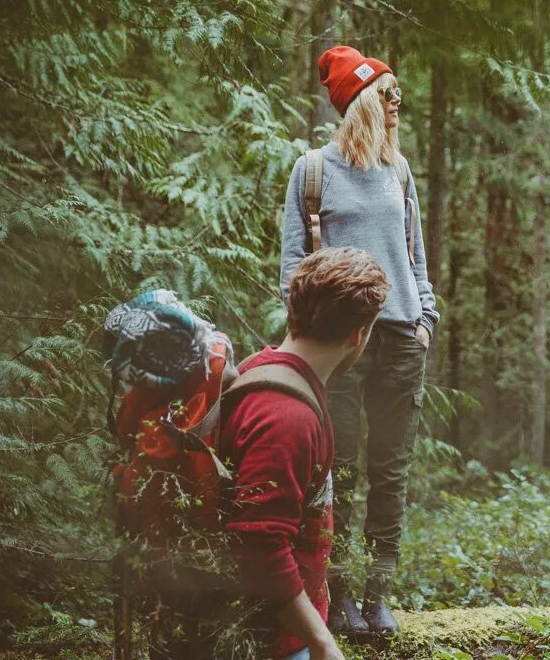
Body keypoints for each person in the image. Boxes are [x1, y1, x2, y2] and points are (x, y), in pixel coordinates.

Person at [149, 247, 390, 660]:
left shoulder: (265, 367)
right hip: (266, 643)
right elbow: (259, 548)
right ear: (358, 335)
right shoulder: (287, 417)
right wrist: (322, 642)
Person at [279, 45, 439, 636]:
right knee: (336, 469)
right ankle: (338, 593)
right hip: (338, 347)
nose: (398, 102)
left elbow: (415, 257)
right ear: (362, 102)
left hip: (400, 339)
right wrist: (312, 342)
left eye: (398, 91)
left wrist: (425, 319)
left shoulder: (400, 172)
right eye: (388, 92)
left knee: (389, 469)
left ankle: (378, 595)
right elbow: (294, 266)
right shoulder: (314, 172)